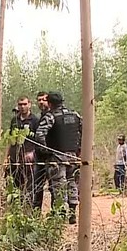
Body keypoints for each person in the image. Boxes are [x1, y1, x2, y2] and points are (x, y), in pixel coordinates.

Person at [33, 92, 82, 224]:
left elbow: (39, 135)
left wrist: (46, 150)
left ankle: (60, 215)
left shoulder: (50, 116)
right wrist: (79, 150)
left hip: (56, 158)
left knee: (58, 187)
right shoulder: (75, 115)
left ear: (49, 103)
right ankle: (72, 213)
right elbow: (83, 131)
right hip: (72, 157)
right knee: (72, 184)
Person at [7, 95, 40, 200]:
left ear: (29, 105)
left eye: (25, 104)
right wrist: (6, 157)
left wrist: (33, 153)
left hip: (29, 160)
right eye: (20, 105)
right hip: (14, 159)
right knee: (15, 187)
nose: (22, 107)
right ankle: (16, 209)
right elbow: (11, 139)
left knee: (30, 187)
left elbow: (39, 140)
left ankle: (29, 209)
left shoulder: (35, 120)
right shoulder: (14, 120)